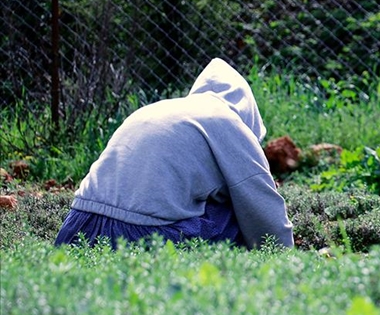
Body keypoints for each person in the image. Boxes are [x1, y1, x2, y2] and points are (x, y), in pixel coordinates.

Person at [55, 58, 294, 250]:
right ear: (248, 111)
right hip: (139, 236)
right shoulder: (229, 122)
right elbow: (265, 214)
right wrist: (286, 264)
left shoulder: (162, 110)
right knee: (240, 209)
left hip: (77, 228)